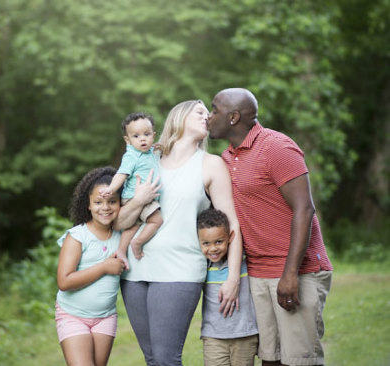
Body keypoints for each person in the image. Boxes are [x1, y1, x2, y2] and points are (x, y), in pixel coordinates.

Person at [207, 88, 333, 366]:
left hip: (296, 271)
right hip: (257, 273)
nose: (208, 116)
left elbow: (305, 209)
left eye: (214, 109)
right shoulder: (227, 157)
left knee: (300, 360)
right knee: (270, 359)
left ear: (233, 117)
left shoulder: (276, 147)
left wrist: (290, 274)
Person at [114, 100, 243, 366]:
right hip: (134, 273)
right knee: (152, 359)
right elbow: (120, 223)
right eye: (199, 111)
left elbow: (233, 225)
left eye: (208, 113)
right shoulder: (147, 160)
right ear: (179, 117)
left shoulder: (210, 165)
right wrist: (138, 201)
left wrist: (233, 278)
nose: (206, 116)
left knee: (165, 359)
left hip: (179, 271)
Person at [55, 166, 127, 366]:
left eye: (112, 201)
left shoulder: (122, 236)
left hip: (105, 318)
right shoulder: (78, 236)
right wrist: (104, 267)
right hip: (73, 315)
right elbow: (64, 281)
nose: (105, 207)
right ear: (87, 204)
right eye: (98, 202)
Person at [197, 208, 258, 366]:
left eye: (219, 241)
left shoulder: (242, 260)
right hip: (213, 336)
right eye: (206, 243)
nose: (213, 248)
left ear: (230, 237)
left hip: (245, 334)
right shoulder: (202, 266)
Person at [100, 112, 163, 262]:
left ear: (153, 135)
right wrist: (111, 189)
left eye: (146, 134)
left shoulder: (149, 152)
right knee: (156, 220)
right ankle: (138, 242)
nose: (142, 139)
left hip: (137, 197)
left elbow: (154, 154)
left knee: (132, 226)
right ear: (127, 140)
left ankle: (121, 251)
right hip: (136, 197)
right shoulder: (131, 156)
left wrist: (158, 148)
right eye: (136, 136)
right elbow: (121, 174)